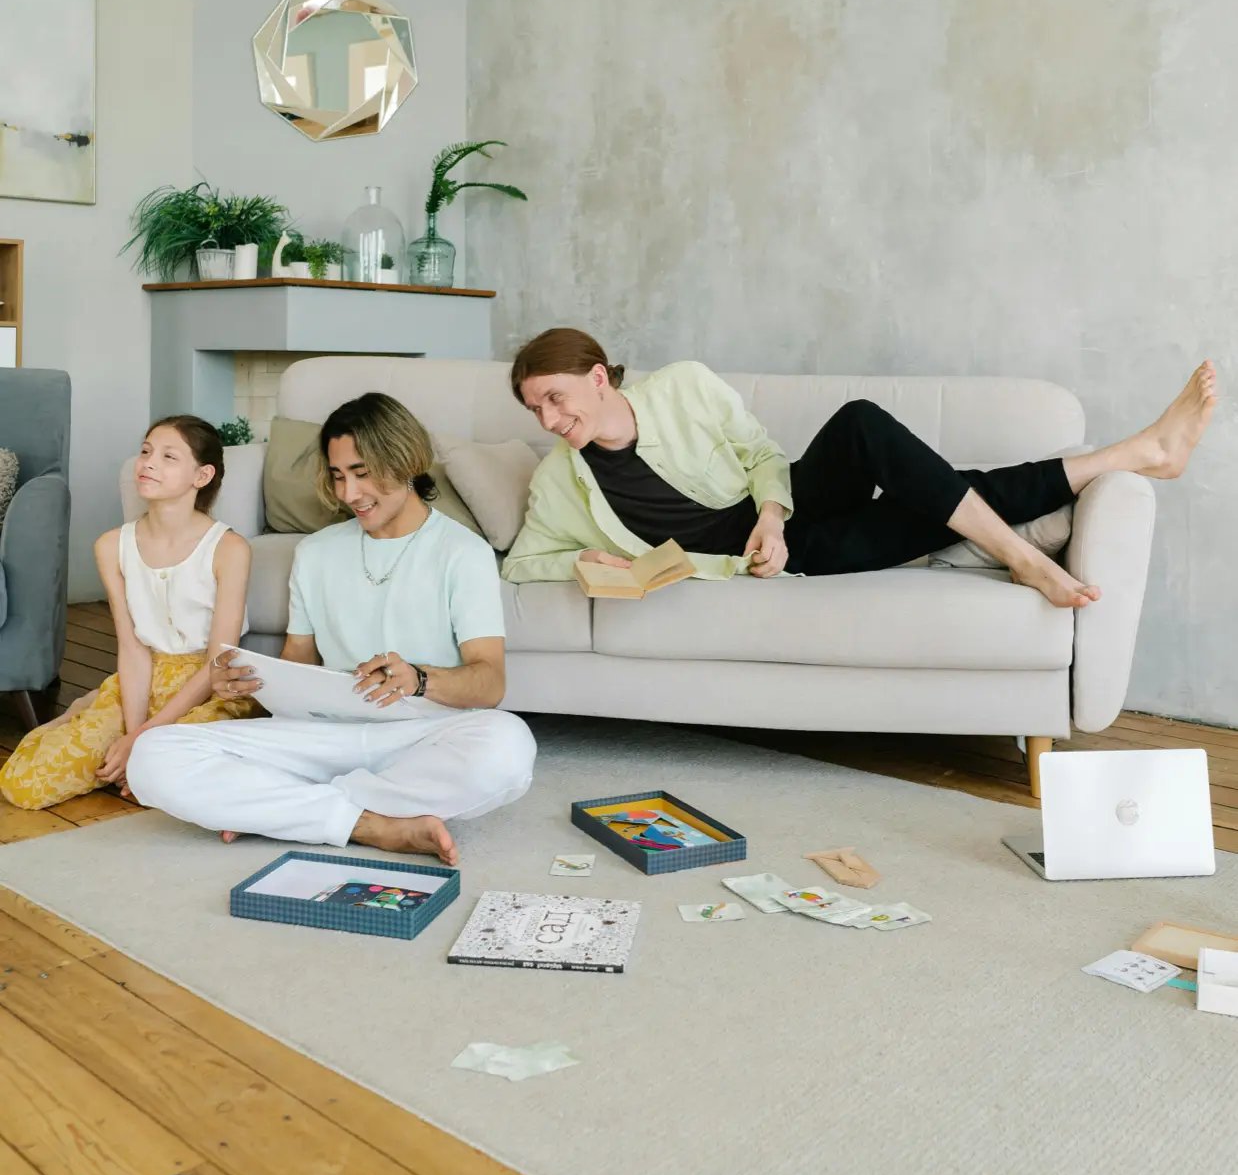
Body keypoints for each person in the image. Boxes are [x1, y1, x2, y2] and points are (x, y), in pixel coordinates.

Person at [502, 327, 1218, 608]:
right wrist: (581, 561)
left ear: (599, 377)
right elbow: (520, 562)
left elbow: (760, 454)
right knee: (943, 502)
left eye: (555, 399)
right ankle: (1138, 454)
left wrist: (773, 516)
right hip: (784, 561)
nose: (549, 421)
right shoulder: (559, 479)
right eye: (535, 410)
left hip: (789, 509)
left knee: (861, 423)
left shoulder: (682, 385)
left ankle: (1027, 558)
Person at [125, 393, 537, 865]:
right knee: (153, 755)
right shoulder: (316, 553)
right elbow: (298, 661)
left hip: (418, 733)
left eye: (362, 473)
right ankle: (371, 824)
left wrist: (421, 679)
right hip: (320, 734)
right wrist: (249, 683)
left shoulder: (463, 553)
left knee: (508, 747)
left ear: (405, 461)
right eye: (339, 475)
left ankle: (286, 808)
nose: (348, 493)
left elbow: (490, 682)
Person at [0, 416, 259, 811]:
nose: (148, 463)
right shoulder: (111, 546)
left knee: (167, 769)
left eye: (168, 456)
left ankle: (135, 759)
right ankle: (99, 720)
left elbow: (217, 663)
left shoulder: (229, 549)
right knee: (23, 785)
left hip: (210, 690)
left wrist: (141, 741)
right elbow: (133, 648)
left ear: (202, 475)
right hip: (140, 683)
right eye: (146, 451)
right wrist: (135, 731)